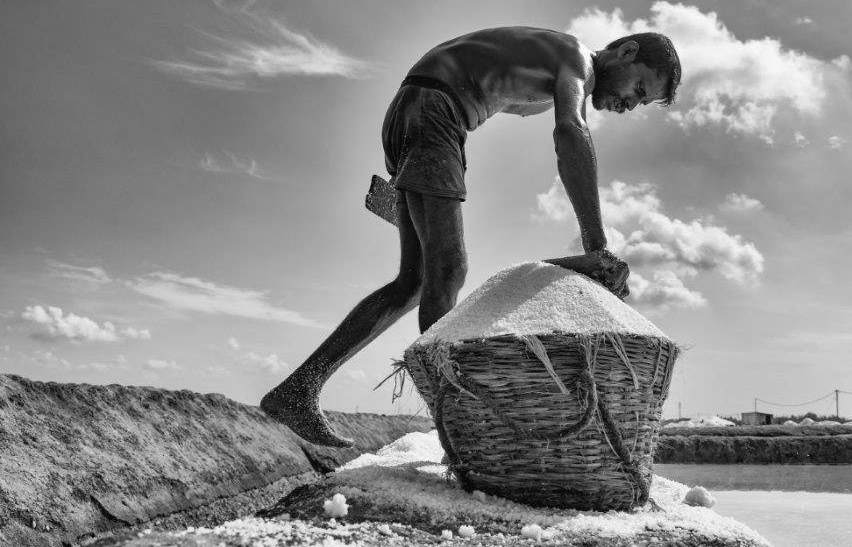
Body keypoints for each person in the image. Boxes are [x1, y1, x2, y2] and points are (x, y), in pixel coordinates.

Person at [260, 27, 681, 447]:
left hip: (418, 111)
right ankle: (459, 430)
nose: (631, 103)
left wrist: (415, 200)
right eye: (639, 87)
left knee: (417, 281)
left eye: (641, 102)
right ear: (625, 52)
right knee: (449, 269)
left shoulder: (549, 65)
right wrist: (596, 246)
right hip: (435, 109)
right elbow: (571, 130)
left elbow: (481, 74)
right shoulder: (578, 60)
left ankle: (297, 390)